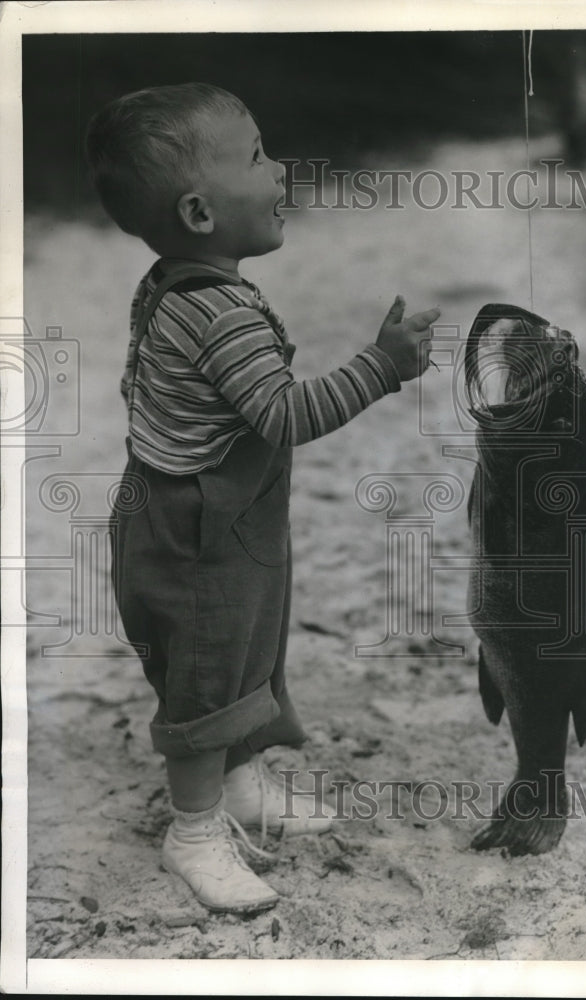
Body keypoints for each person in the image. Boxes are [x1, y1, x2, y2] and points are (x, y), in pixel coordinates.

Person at [85, 82, 440, 913]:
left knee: (243, 652)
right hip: (198, 527)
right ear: (202, 213)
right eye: (256, 157)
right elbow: (285, 414)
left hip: (198, 514)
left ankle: (239, 786)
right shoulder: (219, 313)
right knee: (208, 674)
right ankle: (195, 832)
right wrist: (381, 368)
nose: (279, 169)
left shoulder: (174, 281)